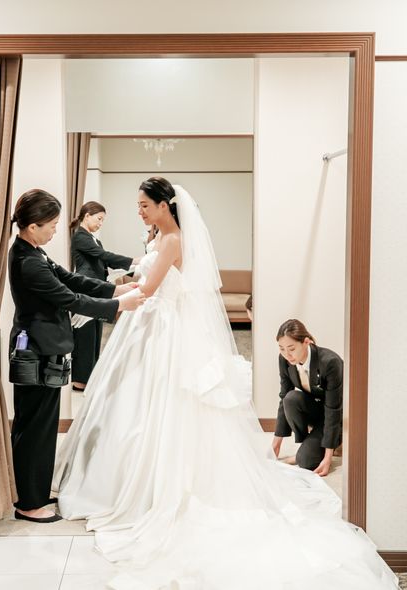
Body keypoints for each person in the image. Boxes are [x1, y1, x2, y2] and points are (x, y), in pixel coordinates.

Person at [53, 178, 396, 589]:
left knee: (165, 404)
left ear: (164, 205)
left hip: (163, 330)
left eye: (144, 204)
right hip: (149, 325)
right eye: (138, 205)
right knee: (134, 405)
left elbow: (150, 288)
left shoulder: (173, 240)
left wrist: (112, 296)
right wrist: (123, 286)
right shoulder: (159, 237)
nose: (139, 211)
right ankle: (131, 481)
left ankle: (162, 488)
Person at [8, 188, 145, 524]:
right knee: (35, 427)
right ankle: (29, 504)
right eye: (52, 225)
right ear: (33, 226)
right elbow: (69, 298)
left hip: (44, 349)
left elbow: (71, 279)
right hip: (37, 351)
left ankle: (36, 493)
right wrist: (117, 305)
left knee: (42, 425)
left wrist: (115, 289)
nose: (56, 231)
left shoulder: (34, 252)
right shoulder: (27, 261)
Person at [69, 201, 141, 391]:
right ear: (87, 216)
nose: (101, 223)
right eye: (99, 219)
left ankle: (90, 378)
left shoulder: (94, 240)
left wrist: (137, 270)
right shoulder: (80, 237)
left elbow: (105, 264)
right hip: (86, 289)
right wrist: (134, 261)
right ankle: (80, 380)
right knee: (85, 335)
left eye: (103, 220)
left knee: (95, 333)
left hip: (97, 289)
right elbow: (105, 256)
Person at [272, 319, 343, 477]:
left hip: (337, 416)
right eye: (282, 349)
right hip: (317, 410)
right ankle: (307, 445)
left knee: (305, 462)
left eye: (291, 348)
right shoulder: (284, 359)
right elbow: (284, 396)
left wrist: (328, 457)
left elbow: (334, 410)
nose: (287, 354)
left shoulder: (330, 362)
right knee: (290, 399)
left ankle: (326, 445)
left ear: (306, 342)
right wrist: (275, 444)